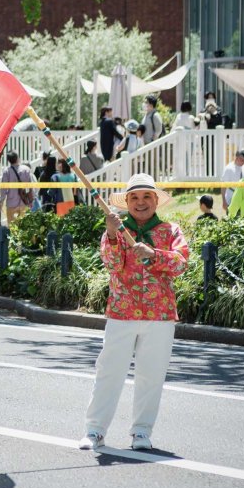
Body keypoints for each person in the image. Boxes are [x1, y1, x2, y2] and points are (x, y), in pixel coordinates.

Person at [79, 172, 188, 451]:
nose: (141, 203)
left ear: (155, 201)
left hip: (160, 315)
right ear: (126, 202)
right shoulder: (113, 230)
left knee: (152, 374)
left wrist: (153, 254)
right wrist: (113, 235)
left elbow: (181, 264)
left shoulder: (170, 231)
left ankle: (141, 432)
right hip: (121, 312)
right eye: (134, 197)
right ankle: (95, 430)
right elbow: (112, 266)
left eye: (146, 197)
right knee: (109, 371)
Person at [0, 150, 33, 223]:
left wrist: (1, 201)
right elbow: (31, 187)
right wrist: (31, 201)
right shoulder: (26, 169)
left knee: (12, 227)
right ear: (18, 158)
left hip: (11, 203)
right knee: (24, 227)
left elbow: (3, 189)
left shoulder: (6, 171)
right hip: (24, 202)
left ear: (8, 160)